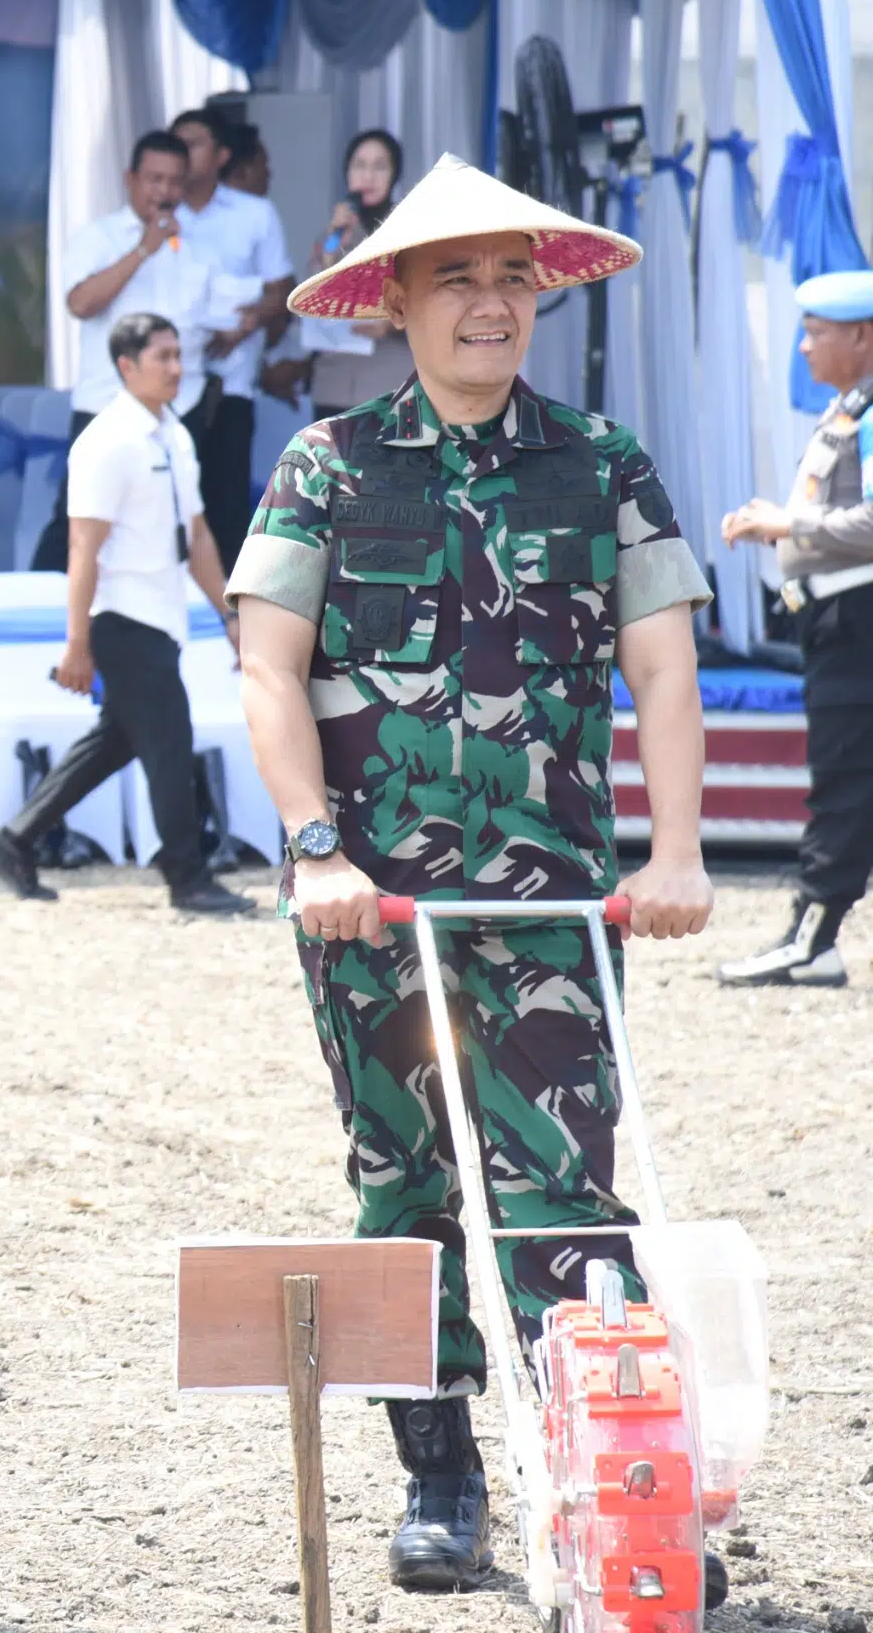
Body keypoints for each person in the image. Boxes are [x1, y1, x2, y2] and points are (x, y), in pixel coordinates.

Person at [227, 156, 717, 1600]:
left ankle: (608, 1475)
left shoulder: (602, 463)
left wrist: (676, 851)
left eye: (513, 277)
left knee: (567, 1188)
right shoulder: (328, 464)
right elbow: (265, 666)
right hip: (371, 907)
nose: (490, 303)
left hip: (553, 902)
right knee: (404, 1186)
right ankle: (439, 1476)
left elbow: (663, 665)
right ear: (396, 300)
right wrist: (314, 847)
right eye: (457, 278)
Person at [0, 313, 251, 915]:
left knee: (116, 741)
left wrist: (230, 615)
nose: (177, 368)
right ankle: (187, 877)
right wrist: (77, 642)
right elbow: (84, 548)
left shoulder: (174, 434)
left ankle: (14, 840)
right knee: (171, 742)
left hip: (163, 616)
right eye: (163, 357)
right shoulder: (106, 440)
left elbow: (197, 536)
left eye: (179, 354)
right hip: (123, 618)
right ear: (126, 366)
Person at [715, 269, 873, 987]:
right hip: (833, 620)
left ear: (861, 337)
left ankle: (813, 938)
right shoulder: (849, 408)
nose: (804, 348)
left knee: (843, 779)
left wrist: (789, 524)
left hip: (857, 622)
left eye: (816, 333)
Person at [37, 131, 218, 571]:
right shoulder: (97, 237)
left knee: (171, 522)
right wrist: (142, 250)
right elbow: (80, 303)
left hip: (176, 410)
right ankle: (39, 603)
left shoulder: (197, 246)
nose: (165, 191)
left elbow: (210, 321)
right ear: (130, 179)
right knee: (78, 519)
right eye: (154, 179)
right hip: (105, 406)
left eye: (175, 181)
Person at [168, 107, 292, 571]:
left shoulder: (254, 214)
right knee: (166, 503)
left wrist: (248, 322)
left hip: (231, 382)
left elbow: (283, 292)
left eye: (194, 142)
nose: (183, 151)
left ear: (221, 155)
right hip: (167, 385)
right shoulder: (159, 215)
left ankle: (226, 607)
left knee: (225, 501)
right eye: (176, 141)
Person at [269, 129, 418, 421]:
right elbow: (313, 297)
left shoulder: (410, 232)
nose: (368, 176)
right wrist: (333, 242)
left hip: (391, 383)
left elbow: (430, 301)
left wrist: (392, 323)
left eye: (380, 167)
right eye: (359, 166)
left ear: (394, 175)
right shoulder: (333, 235)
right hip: (335, 385)